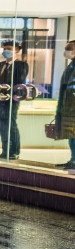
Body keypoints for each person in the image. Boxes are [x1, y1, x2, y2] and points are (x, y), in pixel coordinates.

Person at [0, 42, 29, 160]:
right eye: (4, 48)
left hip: (11, 99)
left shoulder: (21, 65)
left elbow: (19, 80)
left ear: (16, 51)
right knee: (1, 125)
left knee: (10, 124)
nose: (5, 51)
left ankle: (14, 151)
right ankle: (5, 150)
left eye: (9, 49)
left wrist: (5, 91)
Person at [56, 40, 75, 169]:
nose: (66, 51)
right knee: (71, 135)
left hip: (72, 106)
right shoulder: (71, 65)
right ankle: (73, 159)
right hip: (68, 107)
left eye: (69, 48)